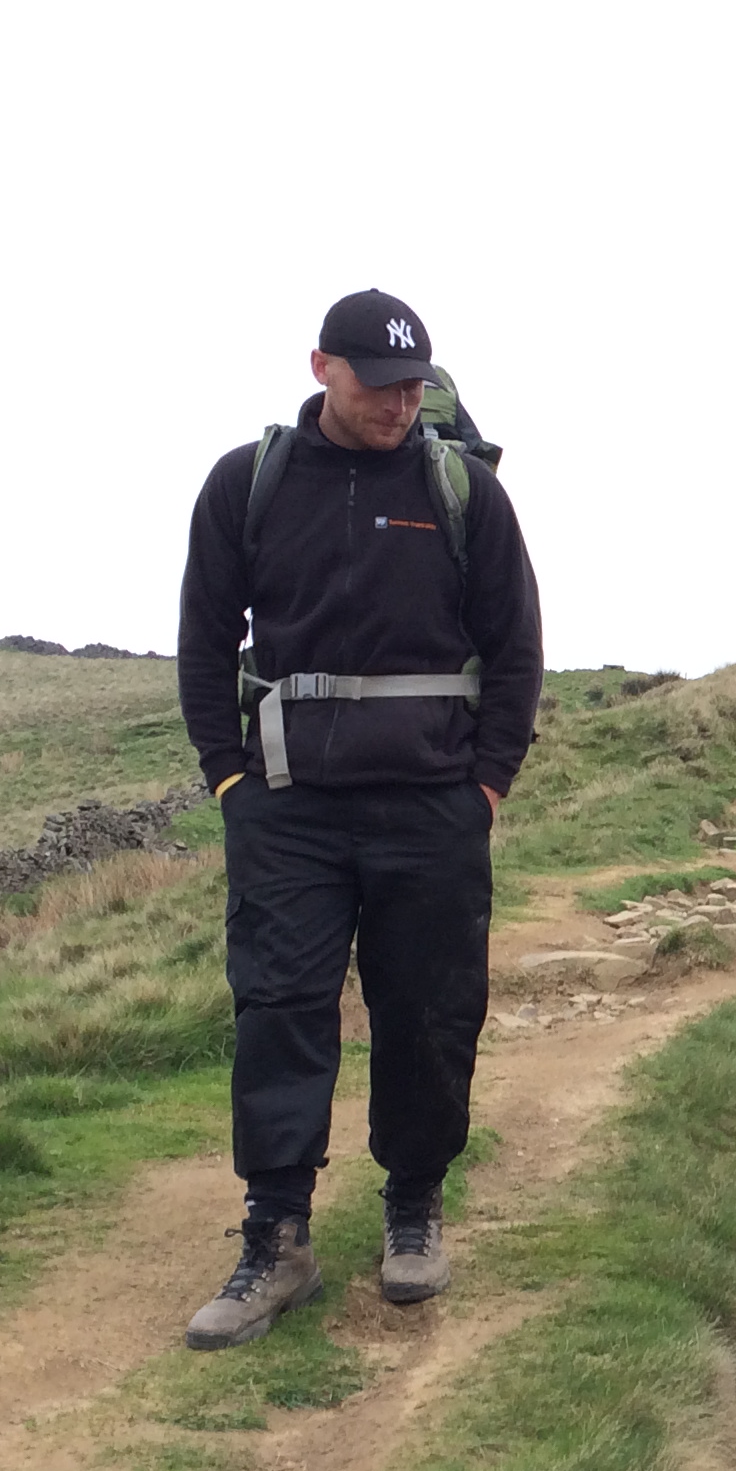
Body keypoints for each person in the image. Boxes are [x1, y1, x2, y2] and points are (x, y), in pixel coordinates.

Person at [174, 290, 544, 1349]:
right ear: (322, 369)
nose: (398, 405)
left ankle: (413, 1206)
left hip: (431, 808)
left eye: (413, 385)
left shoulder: (460, 489)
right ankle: (275, 1237)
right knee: (279, 1009)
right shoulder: (250, 484)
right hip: (287, 810)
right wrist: (229, 784)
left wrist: (484, 788)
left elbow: (516, 649)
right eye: (379, 386)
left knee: (427, 1011)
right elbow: (204, 642)